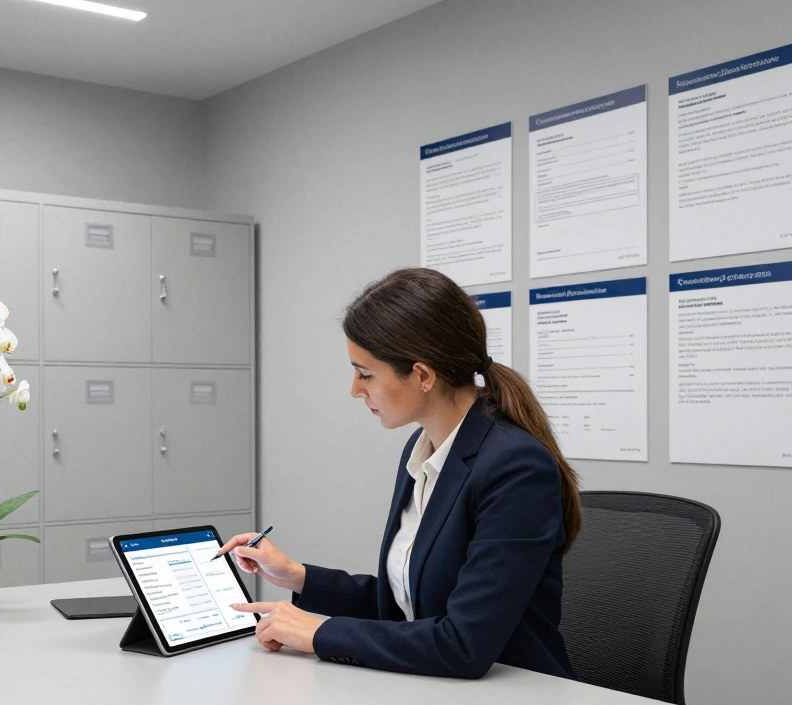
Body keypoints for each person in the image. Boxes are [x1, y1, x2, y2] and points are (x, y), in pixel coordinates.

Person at [224, 267, 580, 680]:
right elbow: (406, 604)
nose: (355, 390)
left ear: (423, 376)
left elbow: (463, 644)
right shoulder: (422, 448)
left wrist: (319, 632)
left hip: (517, 700)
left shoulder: (515, 467)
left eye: (366, 374)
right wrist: (297, 576)